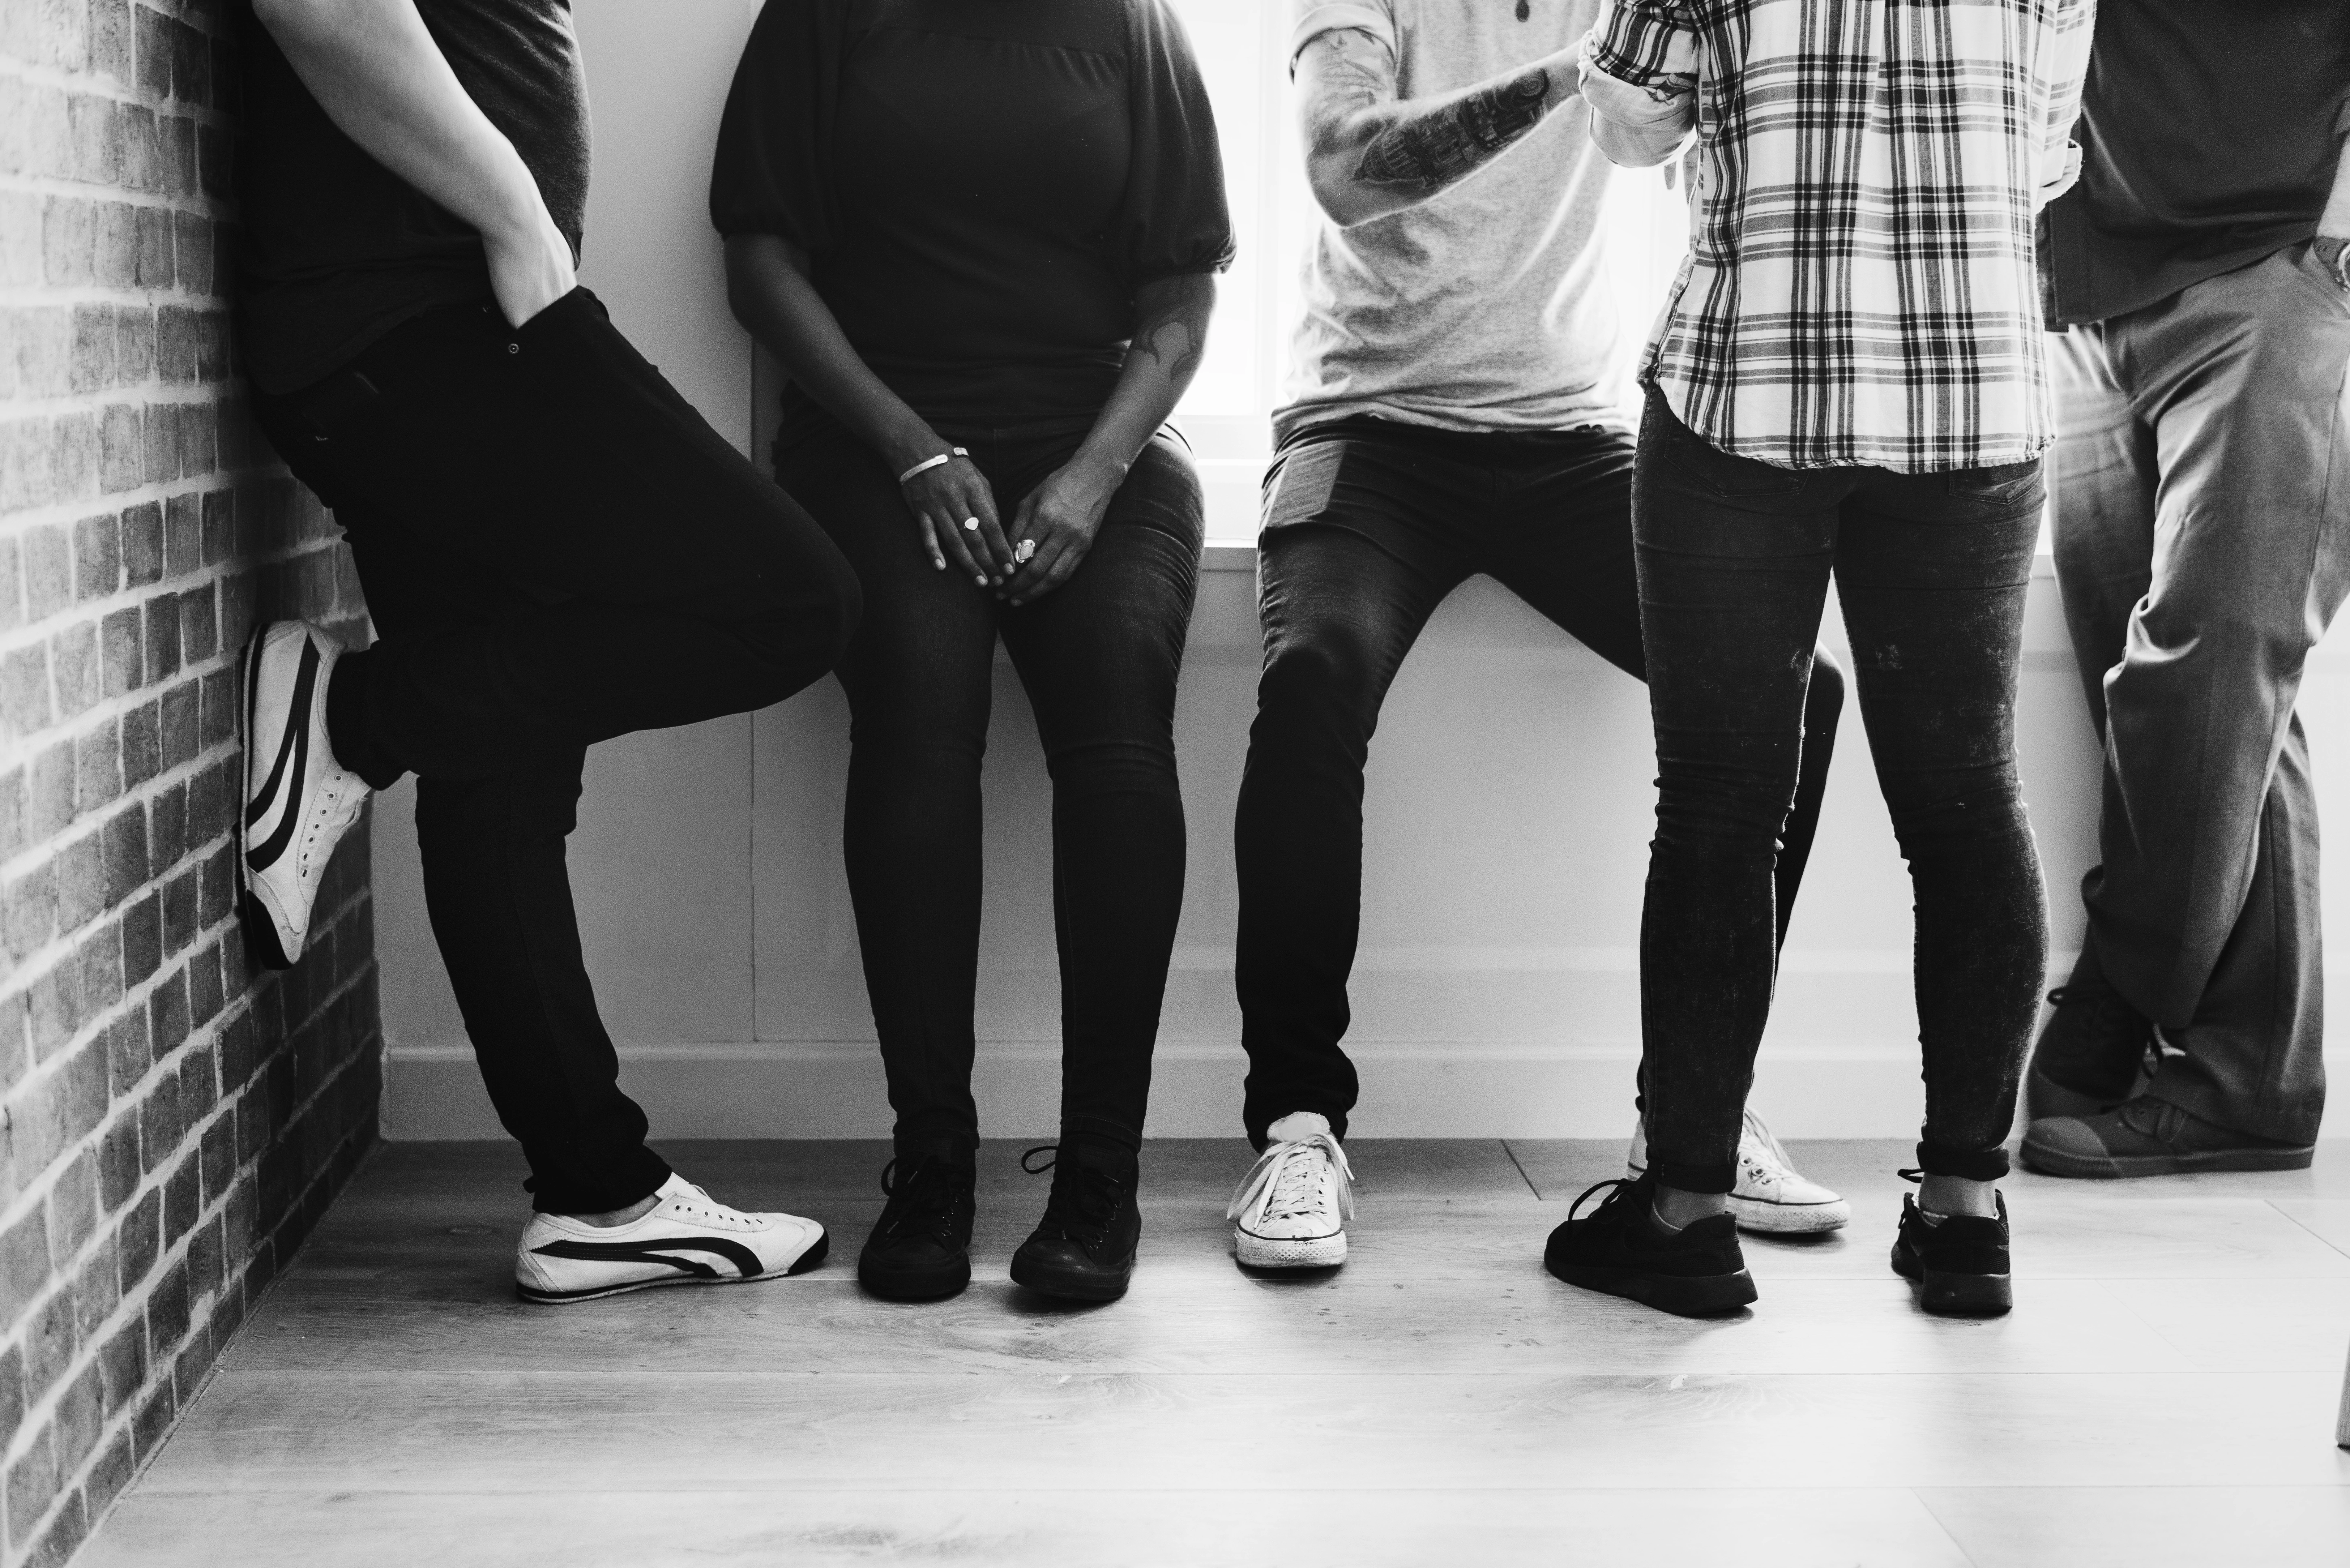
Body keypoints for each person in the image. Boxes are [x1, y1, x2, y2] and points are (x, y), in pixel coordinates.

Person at [234, 0, 860, 1302]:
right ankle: (352, 716)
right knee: (788, 603)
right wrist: (519, 221)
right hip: (425, 328)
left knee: (502, 769)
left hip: (416, 331)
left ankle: (595, 1196)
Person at [1222, 0, 1852, 1276]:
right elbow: (1344, 171)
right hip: (1364, 424)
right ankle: (1295, 1127)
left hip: (1571, 442)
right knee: (1311, 678)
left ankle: (1693, 1117)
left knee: (1798, 694)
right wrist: (1577, 74)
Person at [1549, 0, 2092, 1318]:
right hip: (1974, 389)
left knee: (1722, 810)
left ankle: (1680, 1214)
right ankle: (1964, 1213)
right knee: (1967, 803)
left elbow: (1628, 122)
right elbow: (2049, 146)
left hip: (1751, 385)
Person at [710, 0, 1234, 1303]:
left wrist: (1090, 477)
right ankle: (932, 1162)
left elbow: (1181, 293)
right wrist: (912, 449)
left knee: (1117, 739)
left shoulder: (1134, 25)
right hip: (877, 452)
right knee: (918, 720)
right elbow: (761, 261)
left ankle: (1098, 1180)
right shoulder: (827, 17)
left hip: (1095, 450)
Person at [2020, 2, 2350, 1181]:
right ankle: (2250, 1085)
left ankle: (2115, 987)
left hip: (2275, 273)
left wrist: (2331, 259)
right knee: (2212, 698)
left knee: (2210, 664)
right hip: (2087, 296)